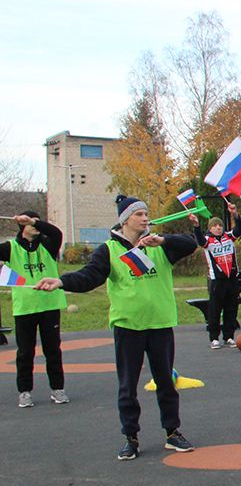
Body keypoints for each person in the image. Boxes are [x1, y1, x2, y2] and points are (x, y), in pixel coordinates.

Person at [35, 195, 198, 460]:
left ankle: (172, 433)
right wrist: (62, 281)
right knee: (128, 385)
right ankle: (130, 437)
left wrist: (163, 240)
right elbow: (88, 277)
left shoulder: (159, 246)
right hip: (128, 326)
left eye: (146, 214)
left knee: (166, 382)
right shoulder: (109, 250)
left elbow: (191, 244)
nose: (145, 219)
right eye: (138, 215)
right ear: (125, 220)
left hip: (160, 324)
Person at [2, 211, 67, 407]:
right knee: (25, 352)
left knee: (53, 350)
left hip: (49, 305)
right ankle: (24, 391)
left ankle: (57, 389)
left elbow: (57, 233)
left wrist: (34, 221)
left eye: (38, 223)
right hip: (25, 308)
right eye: (31, 224)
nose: (36, 227)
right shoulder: (10, 248)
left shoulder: (48, 244)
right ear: (22, 227)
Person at [190, 203, 241, 349]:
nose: (218, 228)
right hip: (217, 281)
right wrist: (196, 225)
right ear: (210, 228)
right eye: (215, 226)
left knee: (231, 309)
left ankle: (229, 336)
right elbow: (200, 240)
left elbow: (239, 230)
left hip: (232, 279)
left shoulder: (229, 237)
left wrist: (235, 215)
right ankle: (214, 338)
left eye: (220, 225)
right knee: (215, 310)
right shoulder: (208, 241)